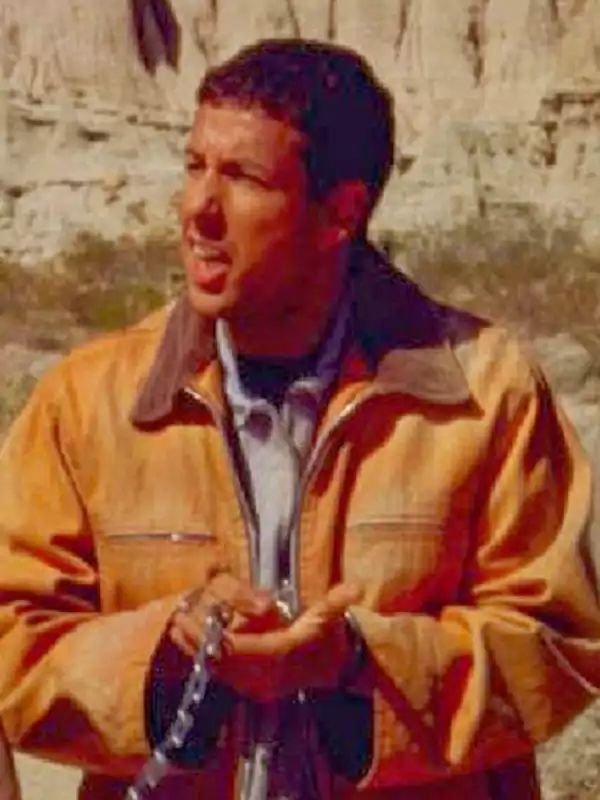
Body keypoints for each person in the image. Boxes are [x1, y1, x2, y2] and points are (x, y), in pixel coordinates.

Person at [0, 37, 599, 800]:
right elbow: (14, 640)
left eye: (243, 177)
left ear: (340, 213)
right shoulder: (88, 403)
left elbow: (555, 642)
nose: (197, 209)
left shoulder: (486, 394)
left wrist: (353, 663)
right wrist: (166, 655)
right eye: (194, 166)